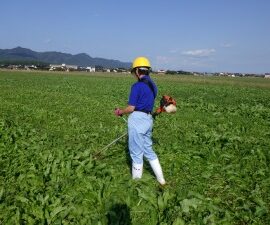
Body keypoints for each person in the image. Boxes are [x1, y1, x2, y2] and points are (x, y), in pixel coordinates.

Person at [114, 56, 166, 185]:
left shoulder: (137, 86)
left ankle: (136, 185)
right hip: (148, 119)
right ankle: (162, 180)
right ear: (147, 70)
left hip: (137, 120)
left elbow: (131, 108)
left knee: (136, 153)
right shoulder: (153, 86)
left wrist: (120, 112)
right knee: (148, 150)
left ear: (137, 71)